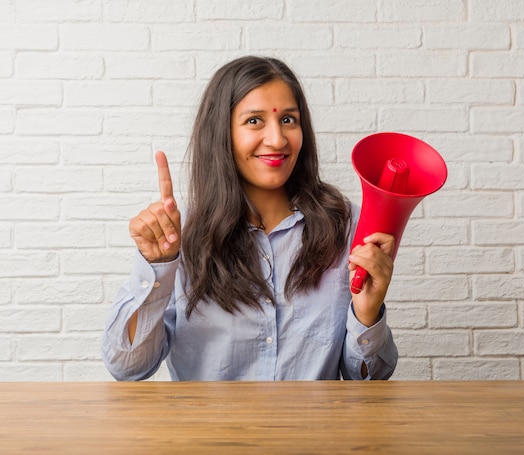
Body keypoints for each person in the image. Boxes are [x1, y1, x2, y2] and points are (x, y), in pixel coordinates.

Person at [101, 56, 398, 381]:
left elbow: (370, 381)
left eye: (288, 120)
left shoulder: (348, 226)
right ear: (221, 133)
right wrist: (157, 268)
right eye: (255, 121)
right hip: (209, 431)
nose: (277, 139)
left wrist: (367, 314)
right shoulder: (176, 236)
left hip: (313, 431)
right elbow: (127, 367)